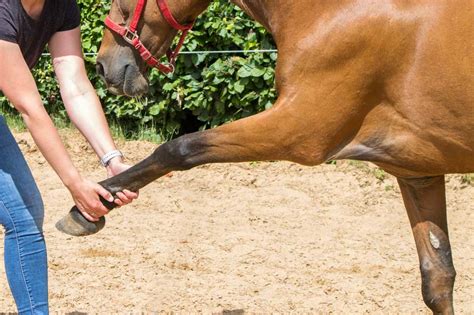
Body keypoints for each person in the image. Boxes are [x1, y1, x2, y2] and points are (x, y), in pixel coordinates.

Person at [0, 0, 139, 313]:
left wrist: (112, 158)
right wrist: (75, 184)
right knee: (22, 217)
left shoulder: (61, 5)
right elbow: (28, 106)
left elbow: (75, 85)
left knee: (24, 216)